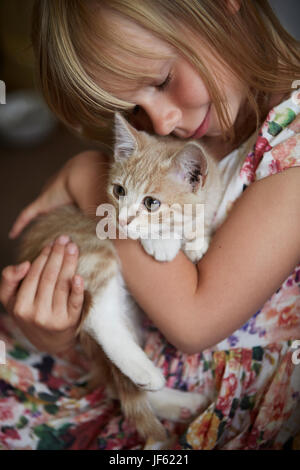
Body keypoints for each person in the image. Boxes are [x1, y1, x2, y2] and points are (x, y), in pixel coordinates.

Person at [0, 0, 300, 450]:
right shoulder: (197, 130)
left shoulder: (291, 158)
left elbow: (194, 322)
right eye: (131, 108)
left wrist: (87, 175)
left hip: (212, 403)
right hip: (124, 357)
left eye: (162, 80)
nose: (161, 122)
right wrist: (60, 332)